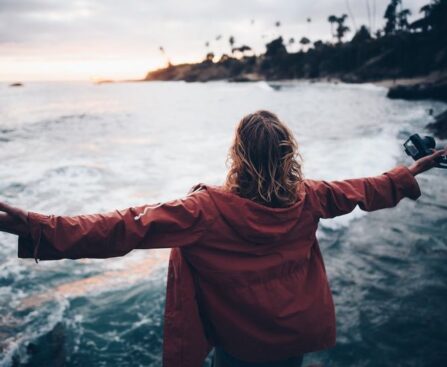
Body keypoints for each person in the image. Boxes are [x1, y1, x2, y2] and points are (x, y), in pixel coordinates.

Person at [0, 110, 445, 367]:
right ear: (289, 155)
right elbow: (368, 188)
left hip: (241, 346)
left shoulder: (204, 212)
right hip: (294, 336)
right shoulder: (311, 197)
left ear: (238, 155)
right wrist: (416, 167)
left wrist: (36, 226)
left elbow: (122, 227)